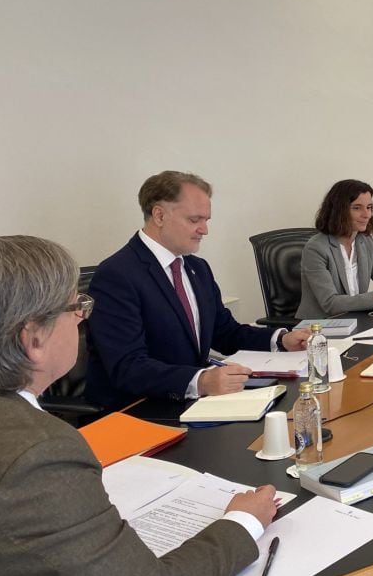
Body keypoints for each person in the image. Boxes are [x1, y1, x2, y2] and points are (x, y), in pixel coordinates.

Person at [0, 235, 278, 576]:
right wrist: (243, 522)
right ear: (34, 337)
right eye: (76, 307)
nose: (81, 318)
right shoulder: (36, 455)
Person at [86, 171, 310, 409]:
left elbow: (224, 332)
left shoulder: (196, 267)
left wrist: (282, 339)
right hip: (140, 410)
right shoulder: (117, 275)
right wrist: (200, 381)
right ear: (159, 215)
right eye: (195, 220)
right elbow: (127, 366)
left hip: (193, 403)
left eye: (207, 220)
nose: (204, 230)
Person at [297, 179, 373, 317]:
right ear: (339, 211)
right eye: (357, 208)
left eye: (369, 207)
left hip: (355, 319)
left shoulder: (365, 242)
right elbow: (330, 303)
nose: (366, 214)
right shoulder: (316, 248)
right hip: (319, 327)